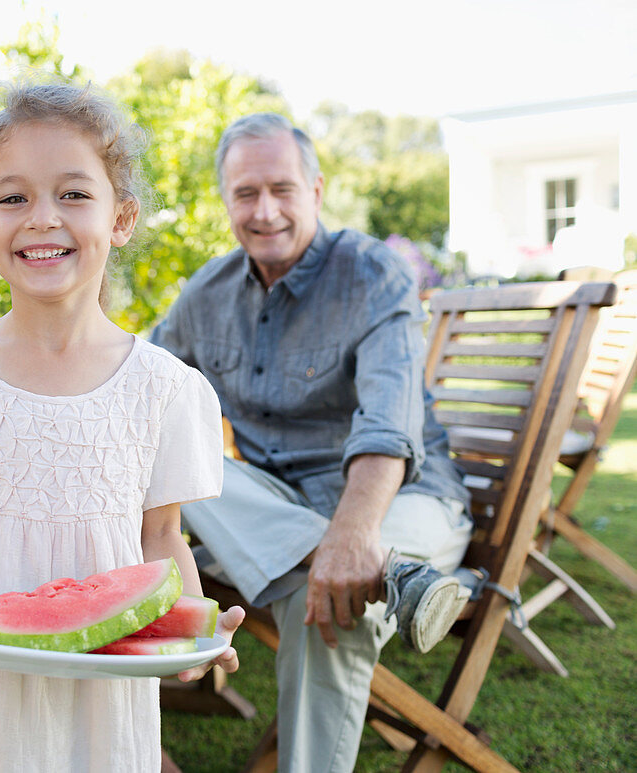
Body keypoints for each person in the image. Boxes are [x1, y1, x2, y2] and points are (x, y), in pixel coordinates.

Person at [0, 81, 244, 772]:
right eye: (13, 197)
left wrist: (193, 624)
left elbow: (161, 538)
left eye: (73, 194)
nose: (42, 218)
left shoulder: (166, 389)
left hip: (100, 705)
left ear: (122, 217)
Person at [148, 113, 475, 772]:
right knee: (166, 449)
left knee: (329, 603)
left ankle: (374, 561)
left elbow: (390, 422)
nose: (265, 210)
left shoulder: (370, 273)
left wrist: (354, 534)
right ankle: (398, 579)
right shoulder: (206, 293)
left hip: (405, 500)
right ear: (226, 201)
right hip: (280, 505)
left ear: (316, 191)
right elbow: (138, 387)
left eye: (282, 189)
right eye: (246, 193)